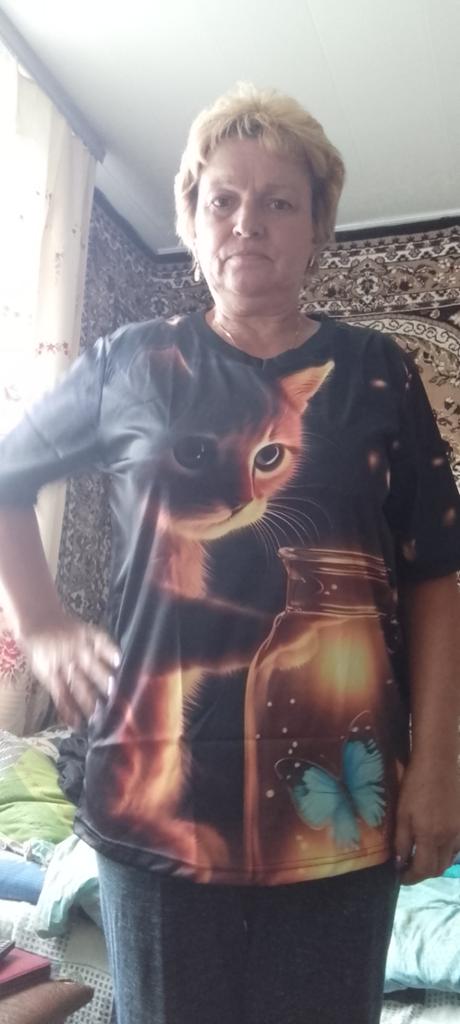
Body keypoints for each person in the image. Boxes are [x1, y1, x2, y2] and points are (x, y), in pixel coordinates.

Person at [0, 82, 459, 1024]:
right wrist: (40, 622)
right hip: (155, 799)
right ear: (193, 216)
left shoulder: (377, 372)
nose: (247, 222)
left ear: (318, 225)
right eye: (223, 199)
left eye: (279, 201)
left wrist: (440, 767)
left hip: (341, 806)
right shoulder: (129, 361)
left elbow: (438, 573)